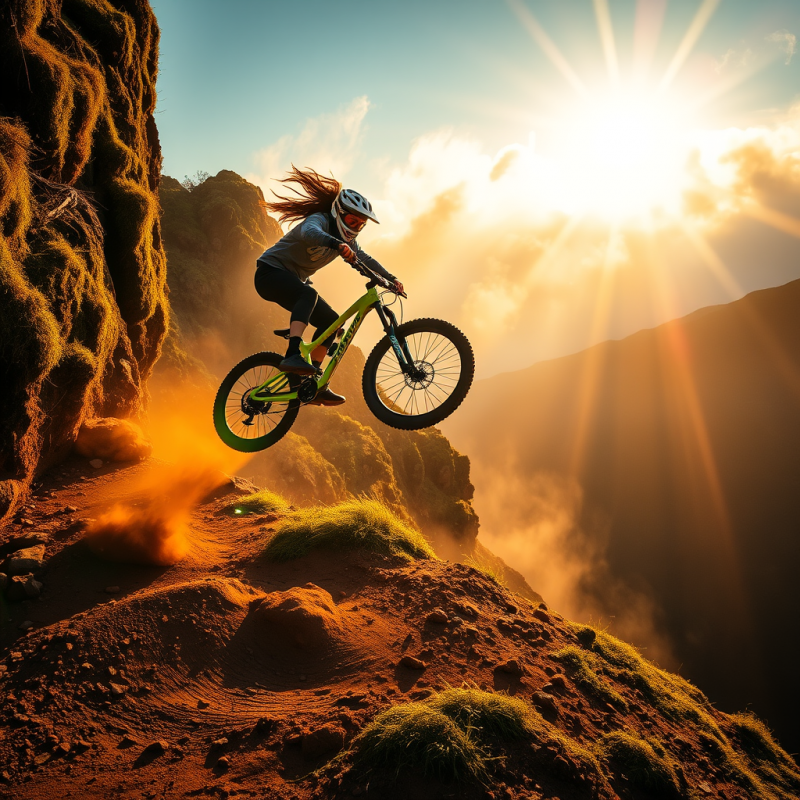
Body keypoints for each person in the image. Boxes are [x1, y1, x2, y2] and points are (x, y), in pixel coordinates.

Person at [256, 167, 403, 406]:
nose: (355, 227)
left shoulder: (349, 241)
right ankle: (292, 354)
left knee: (332, 321)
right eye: (351, 220)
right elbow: (309, 232)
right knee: (308, 292)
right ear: (338, 212)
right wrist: (336, 244)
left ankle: (310, 383)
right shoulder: (320, 221)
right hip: (269, 273)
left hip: (291, 281)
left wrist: (391, 278)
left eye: (360, 224)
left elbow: (365, 259)